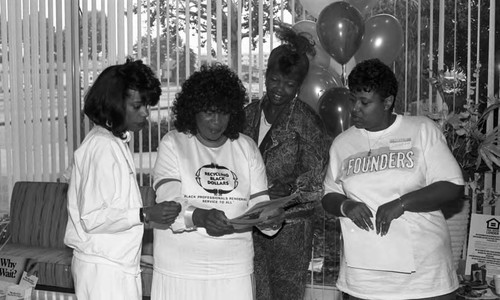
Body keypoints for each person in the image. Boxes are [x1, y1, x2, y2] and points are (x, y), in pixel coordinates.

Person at [321, 58, 464, 300]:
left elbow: (452, 186)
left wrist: (402, 204)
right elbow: (329, 195)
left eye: (364, 102)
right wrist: (346, 205)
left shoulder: (421, 130)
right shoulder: (343, 143)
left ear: (387, 102)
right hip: (364, 277)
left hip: (424, 275)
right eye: (352, 100)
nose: (355, 108)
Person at [151, 63, 284, 300]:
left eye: (223, 112)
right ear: (193, 111)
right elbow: (169, 204)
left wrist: (272, 219)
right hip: (180, 267)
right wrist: (201, 216)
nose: (216, 121)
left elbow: (260, 206)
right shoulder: (173, 143)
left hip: (234, 269)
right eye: (208, 112)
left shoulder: (246, 148)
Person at [64, 58, 181, 300]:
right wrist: (145, 214)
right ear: (115, 104)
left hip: (114, 266)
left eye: (147, 105)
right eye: (137, 105)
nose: (146, 113)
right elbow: (92, 217)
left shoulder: (113, 140)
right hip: (104, 271)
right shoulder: (103, 146)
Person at [242, 24, 332, 300]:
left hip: (289, 231)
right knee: (251, 293)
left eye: (290, 84)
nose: (280, 89)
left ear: (299, 85)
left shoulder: (307, 122)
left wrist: (282, 198)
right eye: (275, 80)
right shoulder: (246, 115)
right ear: (266, 75)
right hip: (246, 224)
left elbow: (316, 183)